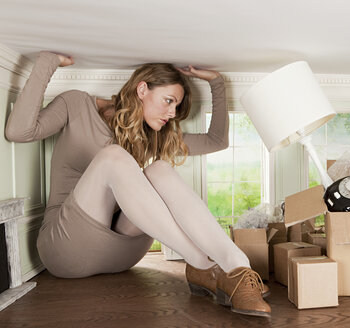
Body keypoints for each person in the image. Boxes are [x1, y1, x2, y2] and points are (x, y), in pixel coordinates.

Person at [5, 51, 271, 318]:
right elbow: (18, 132)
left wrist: (217, 83)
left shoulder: (153, 134)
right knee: (113, 157)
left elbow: (216, 141)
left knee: (159, 169)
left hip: (123, 253)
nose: (172, 112)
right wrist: (46, 63)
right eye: (168, 101)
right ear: (142, 89)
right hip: (67, 248)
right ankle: (202, 263)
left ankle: (236, 267)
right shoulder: (77, 104)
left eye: (176, 106)